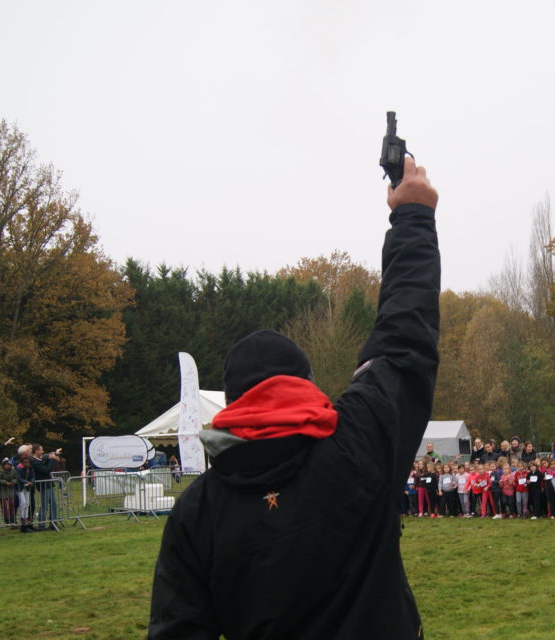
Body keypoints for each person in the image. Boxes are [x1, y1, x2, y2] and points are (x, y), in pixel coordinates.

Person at [149, 155, 439, 639]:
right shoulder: (358, 441)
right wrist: (412, 217)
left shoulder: (197, 511)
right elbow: (404, 341)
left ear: (233, 403)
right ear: (306, 384)